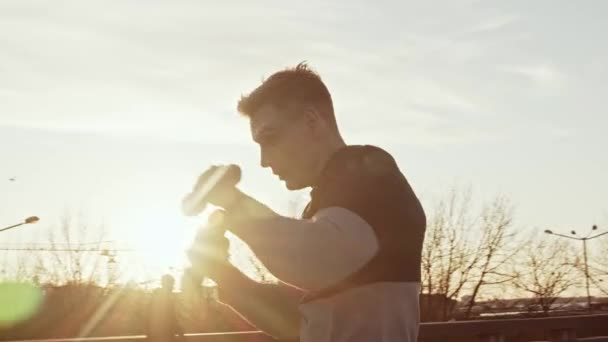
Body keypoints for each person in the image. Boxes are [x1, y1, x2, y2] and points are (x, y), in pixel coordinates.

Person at [186, 62, 426, 342]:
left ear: (312, 121)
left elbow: (317, 259)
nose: (264, 161)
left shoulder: (369, 170)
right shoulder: (328, 208)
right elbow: (305, 325)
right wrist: (222, 273)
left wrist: (234, 204)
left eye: (270, 138)